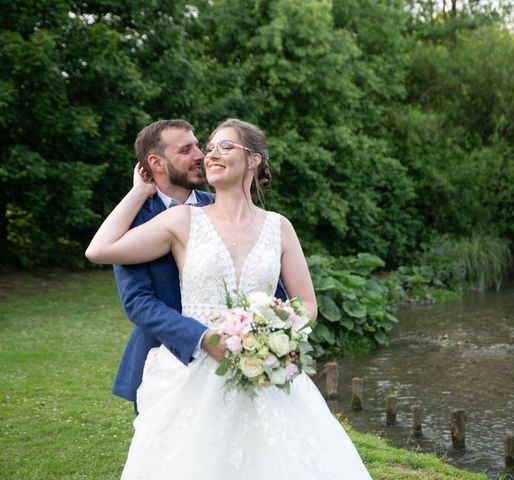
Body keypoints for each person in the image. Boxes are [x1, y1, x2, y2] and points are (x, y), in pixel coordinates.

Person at [86, 118, 372, 479]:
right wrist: (138, 193)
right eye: (207, 148)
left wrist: (271, 336)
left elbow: (302, 304)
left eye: (222, 146)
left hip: (263, 368)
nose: (207, 154)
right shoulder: (182, 219)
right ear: (157, 164)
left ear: (254, 159)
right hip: (189, 369)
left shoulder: (278, 226)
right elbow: (101, 252)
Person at [112, 119, 288, 411]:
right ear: (156, 162)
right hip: (162, 361)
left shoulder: (226, 206)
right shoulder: (132, 219)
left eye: (199, 146)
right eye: (186, 150)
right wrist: (202, 338)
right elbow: (138, 303)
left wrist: (266, 341)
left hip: (242, 358)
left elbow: (271, 288)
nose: (201, 155)